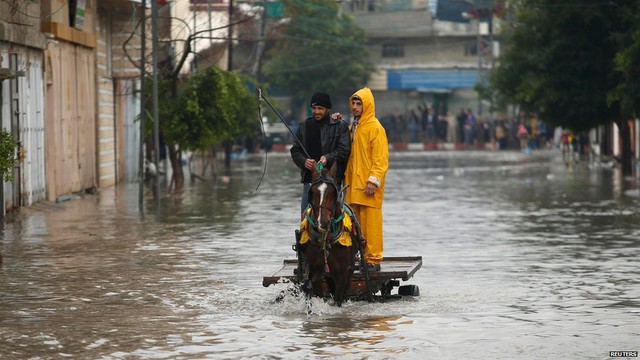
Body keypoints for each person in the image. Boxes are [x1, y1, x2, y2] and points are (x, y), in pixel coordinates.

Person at [344, 87, 389, 272]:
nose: (355, 107)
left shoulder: (376, 128)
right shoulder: (352, 128)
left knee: (371, 224)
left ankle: (372, 259)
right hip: (352, 187)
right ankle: (357, 257)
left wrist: (373, 181)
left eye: (359, 104)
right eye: (353, 103)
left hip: (368, 187)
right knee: (353, 225)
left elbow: (381, 159)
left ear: (367, 105)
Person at [290, 92, 351, 216]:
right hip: (310, 184)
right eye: (314, 108)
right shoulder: (303, 126)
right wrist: (303, 161)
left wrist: (327, 158)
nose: (316, 111)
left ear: (328, 109)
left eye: (320, 108)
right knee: (305, 224)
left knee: (338, 224)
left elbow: (344, 150)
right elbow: (295, 150)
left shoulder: (340, 126)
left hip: (332, 185)